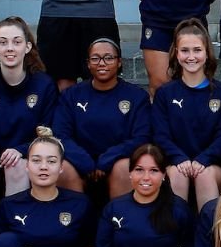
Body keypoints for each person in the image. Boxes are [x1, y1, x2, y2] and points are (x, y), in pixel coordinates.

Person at [0, 17, 61, 221]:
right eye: (3, 42)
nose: (10, 48)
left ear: (27, 47)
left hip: (25, 161)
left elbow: (49, 134)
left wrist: (21, 150)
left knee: (15, 165)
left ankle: (11, 233)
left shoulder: (44, 85)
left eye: (17, 42)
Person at [53, 38, 152, 201]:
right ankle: (72, 223)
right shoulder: (71, 95)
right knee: (61, 167)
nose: (102, 63)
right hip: (81, 164)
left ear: (119, 62)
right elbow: (60, 135)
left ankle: (122, 221)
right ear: (88, 63)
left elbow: (141, 137)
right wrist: (85, 162)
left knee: (123, 167)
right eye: (95, 58)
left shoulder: (137, 96)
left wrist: (107, 159)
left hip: (117, 162)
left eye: (108, 57)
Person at [152, 19, 221, 211]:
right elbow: (160, 136)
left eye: (197, 50)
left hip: (212, 166)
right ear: (176, 53)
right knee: (179, 174)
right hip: (175, 164)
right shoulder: (165, 94)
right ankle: (175, 237)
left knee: (204, 174)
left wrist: (203, 159)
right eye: (185, 50)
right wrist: (179, 159)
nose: (191, 56)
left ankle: (211, 236)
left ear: (207, 53)